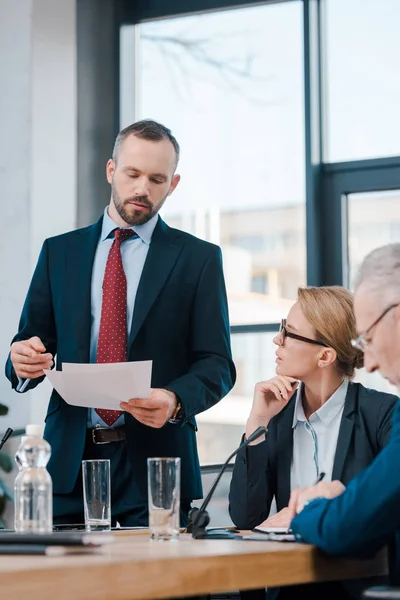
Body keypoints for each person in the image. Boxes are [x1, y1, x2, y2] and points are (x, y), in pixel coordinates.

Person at [5, 119, 236, 527]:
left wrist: (175, 401)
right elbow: (30, 341)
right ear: (112, 170)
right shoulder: (60, 252)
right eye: (132, 174)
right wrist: (21, 361)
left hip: (158, 465)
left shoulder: (199, 259)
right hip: (69, 465)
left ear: (173, 184)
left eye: (157, 178)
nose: (142, 188)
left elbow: (217, 364)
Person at [229, 285, 398, 599]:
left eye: (289, 332)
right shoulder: (275, 418)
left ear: (325, 355)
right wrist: (257, 424)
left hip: (358, 587)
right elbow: (247, 519)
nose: (277, 340)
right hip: (289, 586)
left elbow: (385, 506)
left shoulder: (382, 414)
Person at [287, 243, 400, 590]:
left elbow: (342, 527)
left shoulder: (382, 412)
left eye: (368, 338)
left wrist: (312, 504)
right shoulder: (278, 415)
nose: (372, 363)